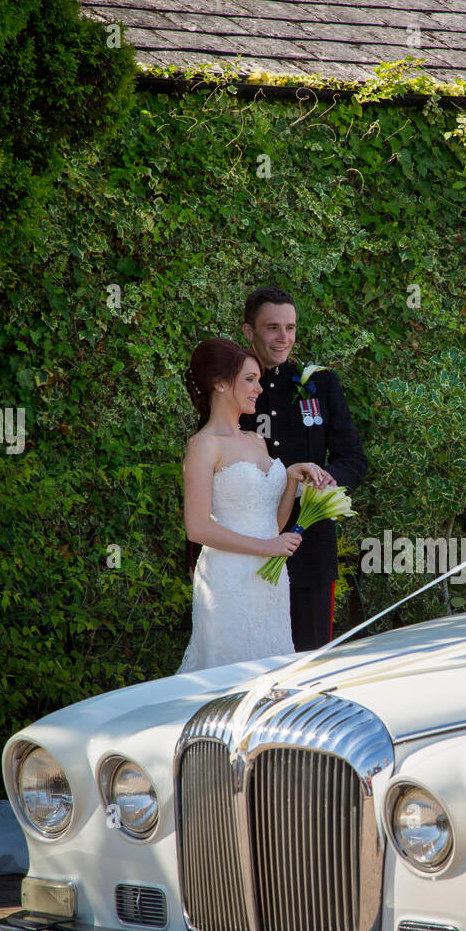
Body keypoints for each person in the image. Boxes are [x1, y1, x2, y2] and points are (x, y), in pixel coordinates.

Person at [178, 338, 331, 673]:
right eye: (249, 379)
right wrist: (267, 547)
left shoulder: (256, 440)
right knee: (228, 675)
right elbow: (198, 527)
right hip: (227, 580)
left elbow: (271, 524)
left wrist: (290, 479)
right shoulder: (203, 446)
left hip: (269, 581)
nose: (258, 388)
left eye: (258, 380)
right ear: (219, 383)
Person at [242, 284, 367, 650]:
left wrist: (327, 480)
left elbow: (354, 460)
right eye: (272, 328)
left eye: (291, 328)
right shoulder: (235, 386)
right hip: (251, 543)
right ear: (249, 331)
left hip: (310, 549)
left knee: (310, 660)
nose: (284, 338)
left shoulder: (321, 383)